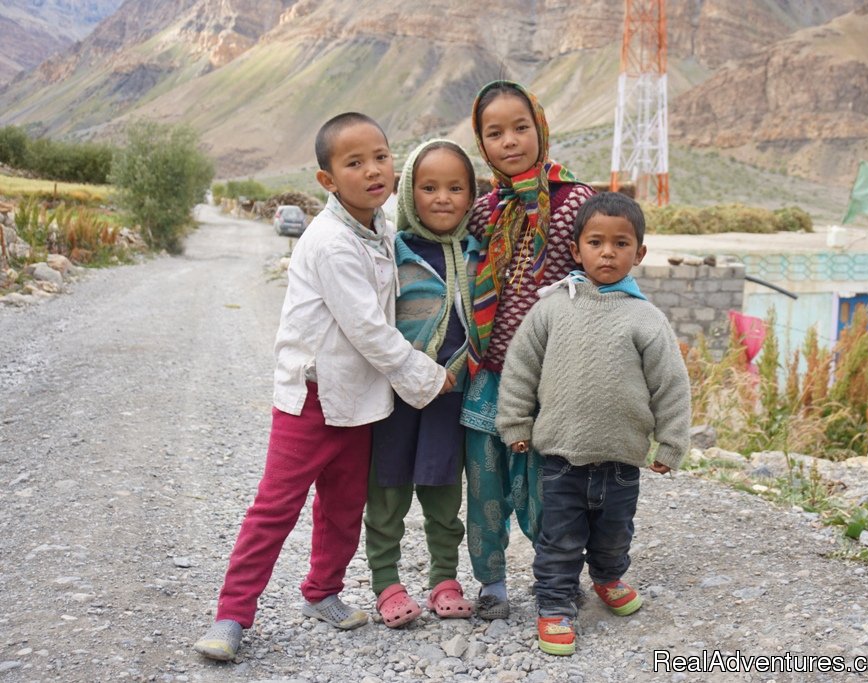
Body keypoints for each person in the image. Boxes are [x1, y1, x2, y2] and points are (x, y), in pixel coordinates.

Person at [193, 113, 454, 661]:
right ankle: (231, 616)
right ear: (328, 180)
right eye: (353, 163)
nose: (372, 170)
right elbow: (369, 330)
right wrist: (431, 379)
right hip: (311, 399)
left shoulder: (381, 227)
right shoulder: (331, 241)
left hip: (359, 400)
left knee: (343, 504)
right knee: (276, 507)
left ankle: (322, 592)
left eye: (380, 156)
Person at [496, 192, 692, 656]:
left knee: (615, 534)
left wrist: (670, 443)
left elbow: (671, 384)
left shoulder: (646, 318)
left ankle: (607, 578)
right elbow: (521, 367)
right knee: (559, 540)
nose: (608, 252)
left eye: (621, 243)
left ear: (639, 253)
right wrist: (516, 423)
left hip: (622, 459)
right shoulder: (552, 309)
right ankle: (555, 605)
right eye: (596, 242)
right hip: (561, 458)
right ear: (576, 249)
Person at [461, 80, 596, 620]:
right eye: (494, 133)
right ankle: (491, 582)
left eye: (520, 128)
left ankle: (555, 574)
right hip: (487, 373)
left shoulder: (576, 201)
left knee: (549, 484)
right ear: (481, 142)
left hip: (550, 376)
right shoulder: (482, 209)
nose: (509, 141)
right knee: (486, 481)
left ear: (540, 128)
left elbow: (601, 276)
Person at [364, 139, 480, 627]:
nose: (442, 197)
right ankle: (386, 582)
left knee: (443, 490)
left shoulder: (479, 254)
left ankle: (444, 578)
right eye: (428, 187)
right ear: (408, 192)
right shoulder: (392, 249)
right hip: (394, 394)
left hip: (449, 396)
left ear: (472, 195)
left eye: (455, 187)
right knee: (387, 490)